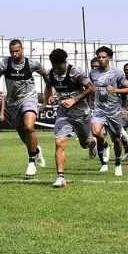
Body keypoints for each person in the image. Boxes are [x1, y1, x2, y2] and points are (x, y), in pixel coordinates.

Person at [0, 39, 50, 177]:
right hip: (12, 102)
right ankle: (36, 151)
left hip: (29, 98)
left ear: (22, 49)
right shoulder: (4, 64)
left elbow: (46, 76)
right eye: (11, 51)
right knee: (24, 136)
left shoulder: (32, 63)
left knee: (29, 126)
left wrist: (47, 97)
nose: (14, 54)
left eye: (17, 51)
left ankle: (31, 162)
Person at [40, 49, 96, 187]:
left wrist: (74, 99)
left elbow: (91, 88)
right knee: (59, 142)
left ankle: (92, 143)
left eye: (60, 67)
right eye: (54, 67)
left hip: (81, 113)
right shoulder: (49, 73)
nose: (57, 70)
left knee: (84, 143)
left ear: (65, 62)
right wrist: (46, 101)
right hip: (63, 112)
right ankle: (60, 177)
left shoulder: (75, 71)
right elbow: (48, 87)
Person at [89, 46, 128, 176]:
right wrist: (90, 100)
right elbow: (91, 88)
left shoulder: (117, 73)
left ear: (110, 58)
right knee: (96, 132)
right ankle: (105, 145)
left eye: (104, 57)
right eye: (99, 57)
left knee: (117, 139)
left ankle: (118, 163)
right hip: (99, 109)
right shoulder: (93, 73)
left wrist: (115, 90)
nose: (101, 60)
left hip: (113, 110)